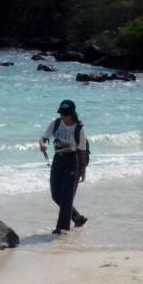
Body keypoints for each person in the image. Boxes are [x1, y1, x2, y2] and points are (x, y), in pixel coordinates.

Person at [39, 100, 88, 234]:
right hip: (58, 161)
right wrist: (42, 144)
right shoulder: (56, 124)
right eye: (61, 113)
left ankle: (61, 229)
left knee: (66, 196)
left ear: (72, 114)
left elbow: (82, 151)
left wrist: (83, 170)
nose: (63, 116)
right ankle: (77, 218)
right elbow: (43, 138)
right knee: (55, 195)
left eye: (66, 114)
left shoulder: (79, 129)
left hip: (73, 162)